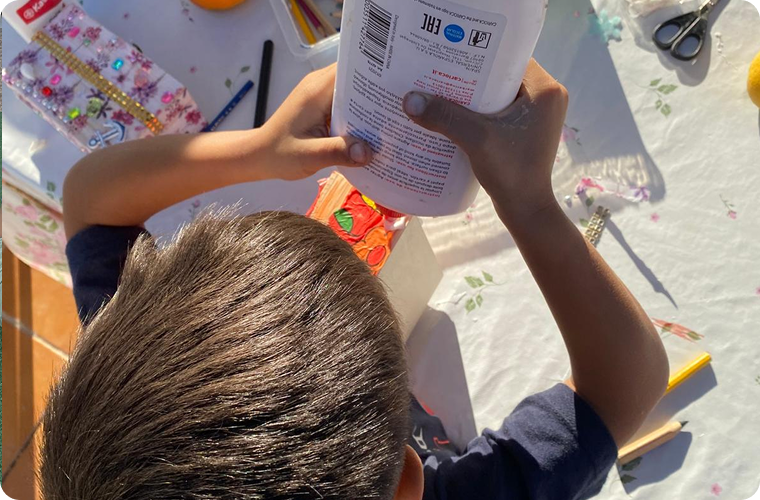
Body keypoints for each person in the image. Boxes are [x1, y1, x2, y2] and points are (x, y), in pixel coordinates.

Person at [41, 61, 669, 500]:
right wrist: (529, 204)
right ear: (406, 481)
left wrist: (262, 146)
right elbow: (624, 386)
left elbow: (91, 199)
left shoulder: (131, 396)